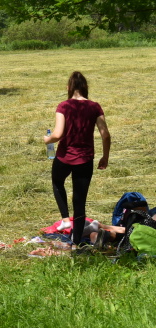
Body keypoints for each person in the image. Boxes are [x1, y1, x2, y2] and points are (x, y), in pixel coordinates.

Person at [43, 71, 111, 247]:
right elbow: (105, 135)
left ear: (69, 87)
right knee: (80, 202)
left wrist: (47, 140)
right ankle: (76, 243)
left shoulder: (64, 106)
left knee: (57, 182)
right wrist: (105, 156)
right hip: (85, 159)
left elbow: (58, 134)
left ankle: (65, 219)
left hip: (64, 157)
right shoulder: (95, 107)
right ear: (86, 87)